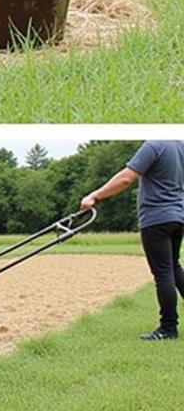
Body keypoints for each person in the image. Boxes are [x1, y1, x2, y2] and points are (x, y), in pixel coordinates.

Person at [81, 139, 184, 340]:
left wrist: (95, 196)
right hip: (179, 217)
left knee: (163, 273)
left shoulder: (154, 145)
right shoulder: (180, 146)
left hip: (156, 218)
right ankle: (169, 326)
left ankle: (168, 328)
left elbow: (126, 179)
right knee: (173, 267)